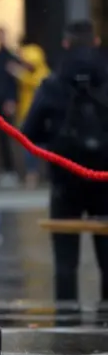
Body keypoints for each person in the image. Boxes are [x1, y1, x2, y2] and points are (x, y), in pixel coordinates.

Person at [22, 20, 108, 304]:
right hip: (104, 178)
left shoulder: (53, 83)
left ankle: (66, 314)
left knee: (65, 261)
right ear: (96, 42)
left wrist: (55, 141)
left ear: (66, 43)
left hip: (64, 179)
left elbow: (29, 132)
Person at [9, 38, 50, 188]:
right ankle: (32, 173)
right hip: (26, 114)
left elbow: (35, 81)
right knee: (28, 146)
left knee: (44, 145)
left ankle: (46, 173)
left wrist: (19, 73)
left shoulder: (43, 74)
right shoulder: (25, 74)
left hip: (42, 115)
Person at [0, 27, 20, 188]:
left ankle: (10, 170)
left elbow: (13, 81)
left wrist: (11, 99)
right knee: (0, 138)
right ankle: (5, 169)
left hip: (6, 102)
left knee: (7, 137)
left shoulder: (10, 57)